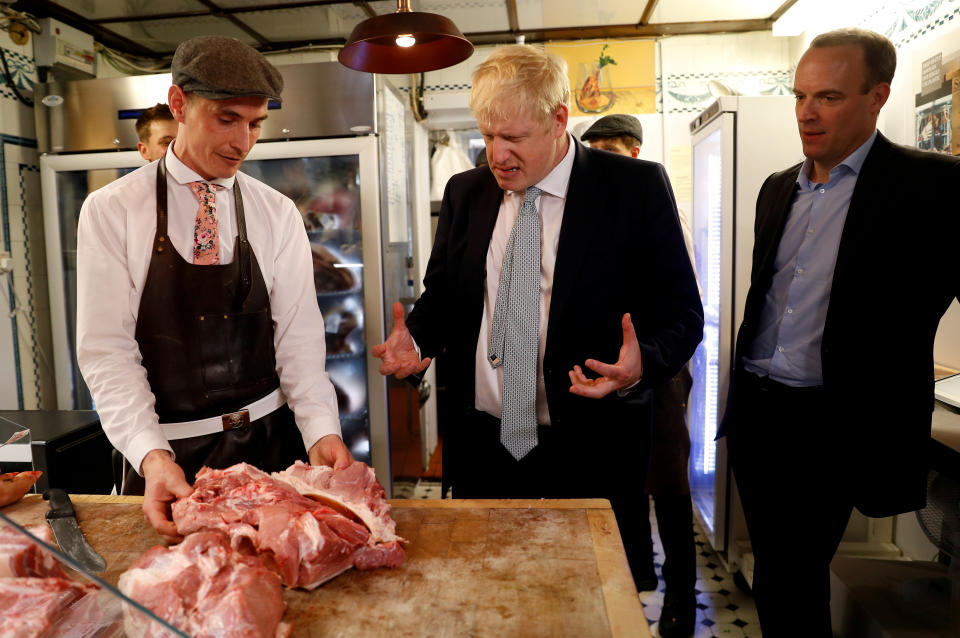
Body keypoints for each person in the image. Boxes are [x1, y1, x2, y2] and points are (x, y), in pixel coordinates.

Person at [372, 44, 703, 593]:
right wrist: (419, 339)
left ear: (558, 120)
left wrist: (644, 362)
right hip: (483, 446)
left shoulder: (634, 189)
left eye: (513, 139)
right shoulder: (466, 192)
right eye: (487, 136)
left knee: (586, 599)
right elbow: (447, 297)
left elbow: (683, 314)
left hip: (588, 448)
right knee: (492, 593)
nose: (496, 155)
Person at [719, 27, 960, 636]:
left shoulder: (933, 185)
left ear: (878, 96)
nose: (807, 112)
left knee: (794, 576)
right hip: (759, 413)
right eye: (800, 96)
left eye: (828, 97)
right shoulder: (778, 189)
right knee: (780, 573)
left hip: (834, 424)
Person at [76, 36, 351, 543]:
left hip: (272, 452)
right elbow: (106, 352)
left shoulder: (275, 211)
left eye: (255, 124)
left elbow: (298, 338)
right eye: (227, 119)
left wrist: (321, 430)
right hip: (170, 463)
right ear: (178, 104)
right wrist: (150, 455)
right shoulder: (113, 211)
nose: (243, 142)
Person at [582, 113, 697, 638]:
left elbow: (684, 308)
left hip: (661, 374)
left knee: (669, 486)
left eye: (610, 150)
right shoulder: (590, 217)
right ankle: (629, 582)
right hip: (604, 377)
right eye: (593, 151)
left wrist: (652, 360)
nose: (601, 161)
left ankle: (681, 598)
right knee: (620, 487)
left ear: (635, 154)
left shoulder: (660, 210)